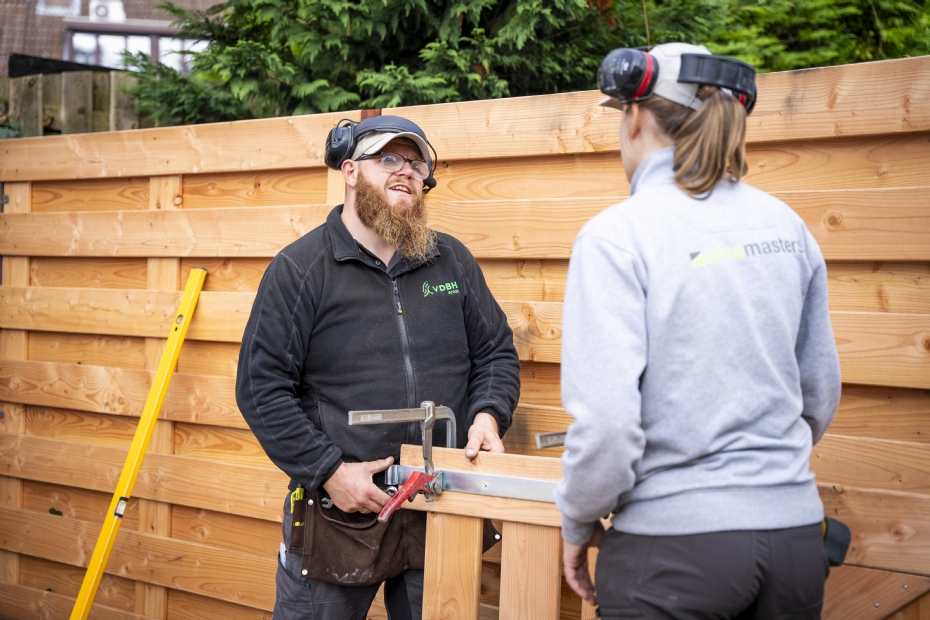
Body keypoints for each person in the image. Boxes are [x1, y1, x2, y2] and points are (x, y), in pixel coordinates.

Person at [555, 43, 841, 619]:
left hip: (675, 552)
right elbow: (819, 395)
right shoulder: (785, 226)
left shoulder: (618, 235)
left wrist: (578, 519)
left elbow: (609, 425)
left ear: (635, 116)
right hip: (795, 540)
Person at [236, 115, 520, 620]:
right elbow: (261, 388)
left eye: (416, 163)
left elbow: (495, 352)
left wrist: (487, 416)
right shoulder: (302, 269)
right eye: (389, 158)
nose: (406, 171)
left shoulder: (449, 262)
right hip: (341, 511)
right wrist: (328, 472)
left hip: (439, 501)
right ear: (349, 171)